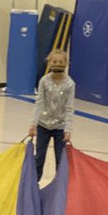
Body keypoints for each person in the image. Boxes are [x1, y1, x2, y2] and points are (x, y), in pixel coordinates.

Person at [28, 49, 74, 180]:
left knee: (60, 159)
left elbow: (69, 108)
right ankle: (34, 185)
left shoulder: (70, 84)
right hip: (43, 125)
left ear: (65, 63)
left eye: (60, 61)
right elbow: (39, 104)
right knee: (39, 158)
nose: (57, 64)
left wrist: (68, 129)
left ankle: (59, 188)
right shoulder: (44, 81)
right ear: (49, 63)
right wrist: (33, 124)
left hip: (60, 128)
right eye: (54, 61)